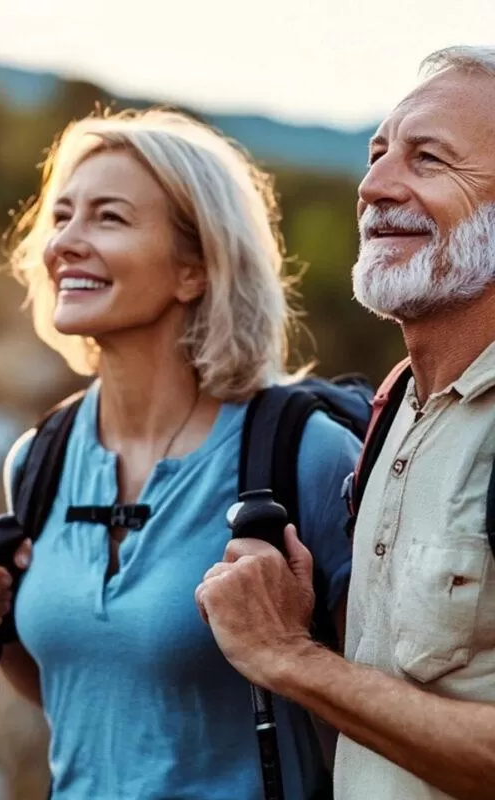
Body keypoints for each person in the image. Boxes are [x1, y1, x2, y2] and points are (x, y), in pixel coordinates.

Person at [0, 107, 360, 799]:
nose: (67, 243)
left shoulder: (305, 457)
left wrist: (290, 652)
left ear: (195, 270)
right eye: (62, 216)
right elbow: (96, 696)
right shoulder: (39, 458)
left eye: (108, 218)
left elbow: (373, 715)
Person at [196, 45, 495, 800]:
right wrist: (309, 629)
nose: (374, 185)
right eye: (376, 153)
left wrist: (289, 657)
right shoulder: (395, 404)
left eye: (428, 160)